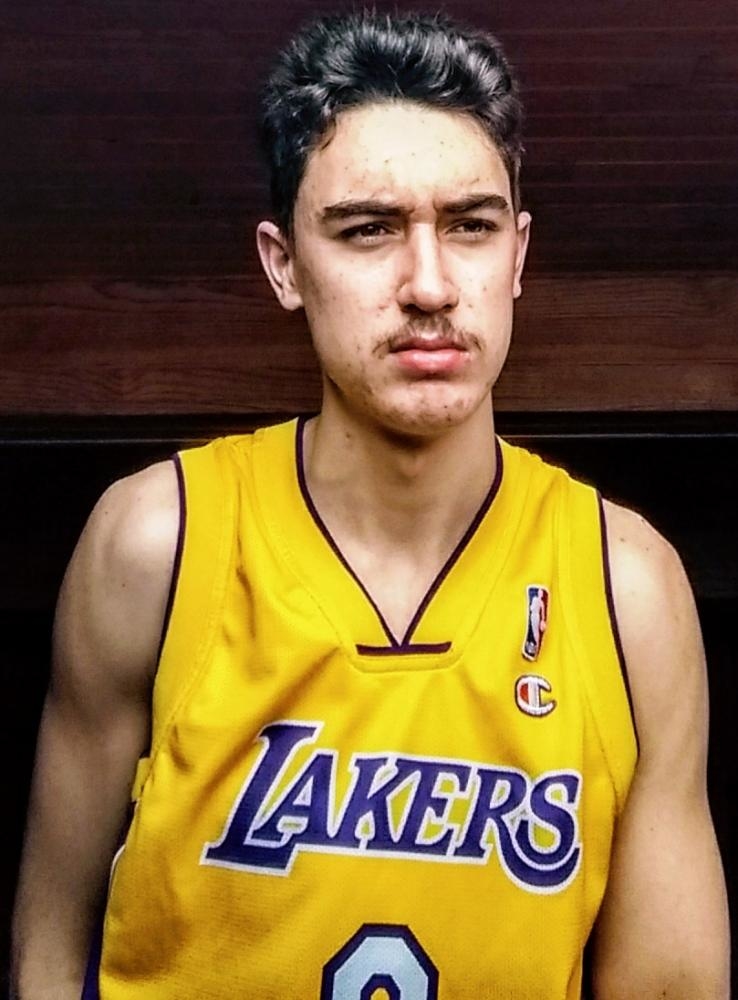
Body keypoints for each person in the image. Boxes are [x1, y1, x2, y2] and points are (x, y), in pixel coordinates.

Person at [11, 9, 730, 999]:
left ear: (517, 257)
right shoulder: (157, 544)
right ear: (283, 264)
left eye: (470, 226)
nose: (430, 286)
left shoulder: (626, 586)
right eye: (368, 230)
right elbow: (48, 956)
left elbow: (671, 985)